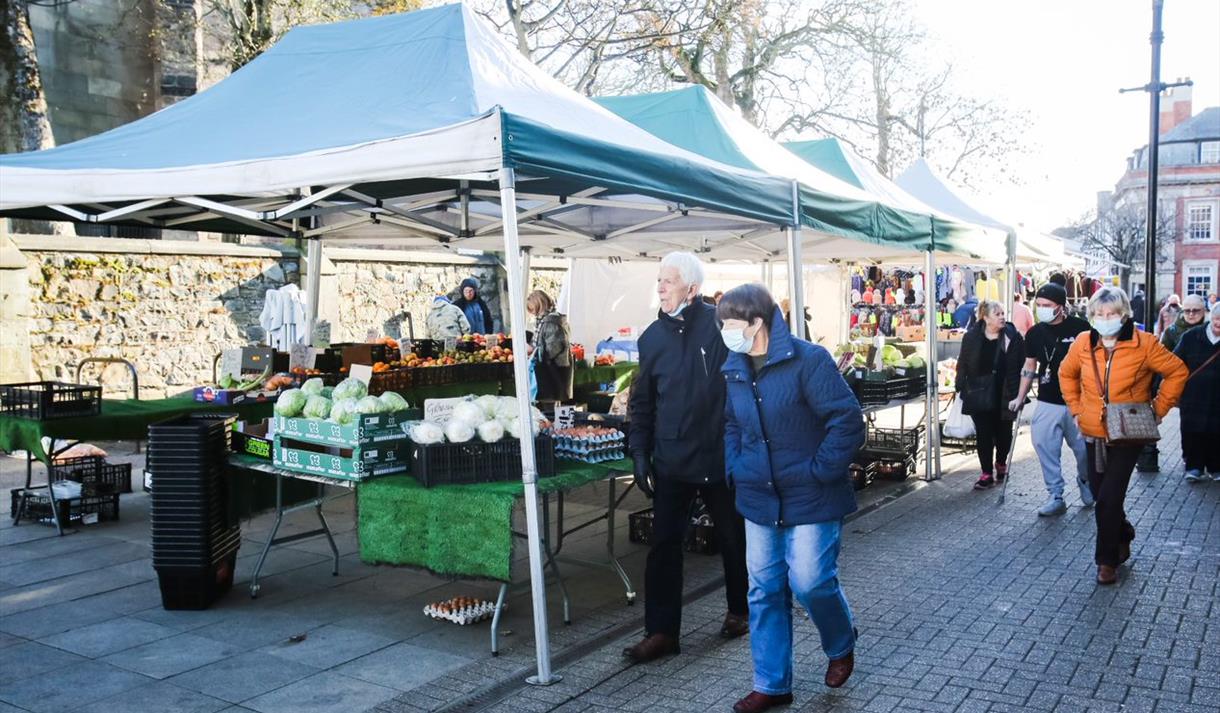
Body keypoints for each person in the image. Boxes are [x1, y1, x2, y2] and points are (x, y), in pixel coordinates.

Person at [718, 284, 864, 712]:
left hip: (812, 495)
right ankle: (772, 683)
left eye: (731, 324)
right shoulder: (734, 367)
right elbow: (732, 423)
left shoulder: (808, 360)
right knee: (763, 590)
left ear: (757, 322)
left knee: (810, 581)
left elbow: (847, 419)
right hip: (757, 496)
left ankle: (840, 642)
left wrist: (821, 470)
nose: (725, 332)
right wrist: (736, 465)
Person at [624, 252, 750, 663]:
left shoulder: (719, 325)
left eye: (669, 281)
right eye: (659, 280)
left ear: (692, 290)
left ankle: (740, 610)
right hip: (672, 460)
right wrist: (640, 452)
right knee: (664, 546)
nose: (660, 287)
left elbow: (747, 380)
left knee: (733, 538)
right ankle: (661, 632)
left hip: (718, 456)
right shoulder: (651, 339)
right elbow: (641, 403)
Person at [1059, 286, 1187, 585]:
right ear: (1091, 315)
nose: (1106, 319)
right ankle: (1125, 532)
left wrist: (1158, 410)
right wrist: (1077, 410)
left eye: (1112, 313)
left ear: (1124, 314)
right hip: (1093, 431)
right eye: (1100, 314)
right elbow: (1066, 374)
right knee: (1100, 493)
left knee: (1108, 498)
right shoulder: (1082, 343)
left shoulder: (1144, 343)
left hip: (1128, 432)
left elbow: (1177, 371)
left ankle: (1106, 561)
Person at [1008, 283, 1094, 516]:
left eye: (1047, 305)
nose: (1042, 309)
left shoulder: (1082, 328)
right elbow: (1029, 365)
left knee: (1085, 450)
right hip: (1048, 398)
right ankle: (1055, 495)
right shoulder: (1035, 333)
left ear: (1061, 306)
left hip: (1079, 400)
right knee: (1044, 445)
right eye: (1039, 305)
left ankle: (1086, 480)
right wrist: (1019, 396)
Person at [956, 300, 1024, 490]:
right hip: (978, 391)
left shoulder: (1012, 336)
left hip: (1005, 391)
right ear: (985, 317)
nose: (1002, 317)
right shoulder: (971, 337)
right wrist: (960, 385)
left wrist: (1020, 390)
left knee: (1004, 434)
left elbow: (1021, 362)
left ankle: (1001, 462)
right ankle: (986, 473)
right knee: (984, 435)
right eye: (998, 314)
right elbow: (963, 362)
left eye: (1003, 313)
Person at [1172, 302, 1220, 482]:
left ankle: (1216, 467)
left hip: (1217, 396)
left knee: (1216, 431)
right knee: (1192, 430)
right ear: (1210, 317)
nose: (1219, 324)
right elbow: (1174, 363)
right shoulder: (1191, 337)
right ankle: (1194, 466)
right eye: (1217, 320)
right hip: (1193, 395)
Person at [526, 290, 573, 403]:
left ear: (538, 305)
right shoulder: (549, 321)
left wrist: (534, 350)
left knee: (549, 407)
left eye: (532, 309)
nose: (532, 313)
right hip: (555, 369)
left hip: (553, 371)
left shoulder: (551, 322)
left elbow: (553, 349)